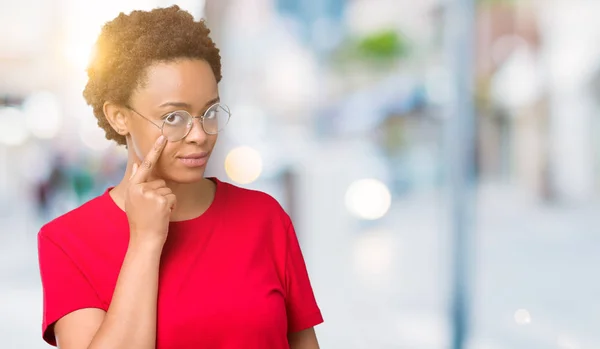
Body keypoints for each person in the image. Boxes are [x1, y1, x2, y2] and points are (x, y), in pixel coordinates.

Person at [37, 6, 323, 349]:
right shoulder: (67, 242)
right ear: (119, 117)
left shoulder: (265, 218)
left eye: (210, 113)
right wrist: (145, 241)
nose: (200, 135)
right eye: (174, 117)